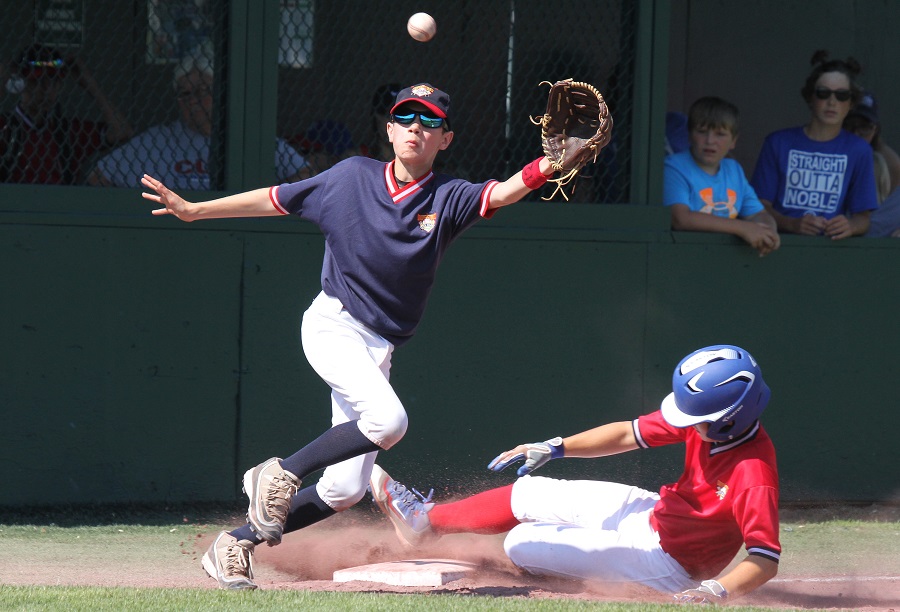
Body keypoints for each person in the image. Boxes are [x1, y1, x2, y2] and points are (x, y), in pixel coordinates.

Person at [140, 82, 562, 590]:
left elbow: (503, 191)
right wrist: (195, 209)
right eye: (406, 118)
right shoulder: (350, 178)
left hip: (377, 348)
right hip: (333, 325)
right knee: (389, 420)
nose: (415, 129)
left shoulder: (448, 198)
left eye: (430, 122)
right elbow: (276, 200)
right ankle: (278, 472)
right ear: (388, 129)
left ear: (445, 139)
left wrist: (549, 165)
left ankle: (234, 544)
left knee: (343, 489)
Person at [370, 345, 780, 605]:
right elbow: (626, 433)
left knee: (521, 542)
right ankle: (426, 522)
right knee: (529, 493)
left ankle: (576, 563)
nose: (687, 422)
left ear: (730, 419)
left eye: (697, 417)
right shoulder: (705, 426)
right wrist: (555, 446)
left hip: (670, 564)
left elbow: (764, 558)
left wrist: (716, 592)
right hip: (653, 513)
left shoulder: (753, 473)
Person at [88, 51, 307, 188]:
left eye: (203, 90)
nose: (194, 100)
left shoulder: (251, 137)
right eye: (185, 93)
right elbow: (98, 178)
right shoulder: (156, 141)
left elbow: (305, 177)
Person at [750, 50, 878, 240]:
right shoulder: (777, 142)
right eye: (823, 93)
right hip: (778, 245)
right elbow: (758, 206)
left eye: (842, 95)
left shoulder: (859, 150)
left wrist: (850, 226)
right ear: (810, 98)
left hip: (830, 251)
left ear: (851, 103)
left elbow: (863, 217)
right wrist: (791, 224)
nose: (832, 102)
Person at [0, 44, 133, 184]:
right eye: (37, 81)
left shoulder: (67, 131)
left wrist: (88, 83)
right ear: (20, 83)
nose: (46, 89)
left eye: (54, 81)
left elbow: (122, 132)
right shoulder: (6, 127)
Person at [664, 97, 780, 256]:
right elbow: (680, 219)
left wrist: (768, 233)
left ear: (734, 140)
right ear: (689, 135)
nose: (710, 141)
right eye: (702, 131)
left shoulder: (734, 170)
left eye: (720, 134)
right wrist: (742, 228)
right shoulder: (674, 166)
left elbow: (757, 214)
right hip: (682, 256)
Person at [842, 91, 900, 201]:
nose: (855, 133)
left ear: (876, 130)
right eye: (849, 125)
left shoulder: (890, 163)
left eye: (864, 127)